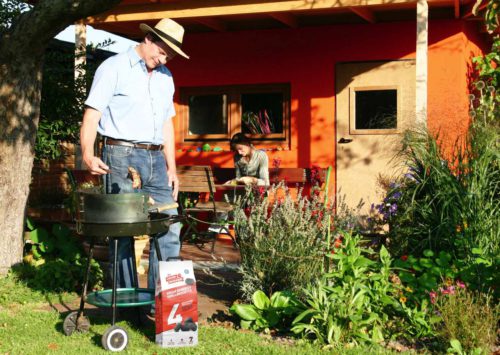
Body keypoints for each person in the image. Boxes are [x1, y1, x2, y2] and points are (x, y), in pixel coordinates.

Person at [79, 18, 189, 301]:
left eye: (170, 56)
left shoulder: (166, 77)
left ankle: (162, 301)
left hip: (156, 159)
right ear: (149, 39)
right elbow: (92, 114)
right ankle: (126, 300)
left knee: (169, 224)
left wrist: (172, 168)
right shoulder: (113, 67)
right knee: (123, 228)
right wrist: (88, 154)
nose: (165, 59)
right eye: (163, 52)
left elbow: (167, 125)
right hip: (120, 155)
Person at [208, 133, 269, 233]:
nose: (239, 152)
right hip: (242, 190)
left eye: (241, 149)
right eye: (237, 150)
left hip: (258, 191)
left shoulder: (261, 156)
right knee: (226, 198)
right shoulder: (237, 157)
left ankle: (245, 232)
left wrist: (252, 180)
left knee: (235, 204)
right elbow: (238, 177)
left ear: (247, 143)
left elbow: (265, 182)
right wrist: (233, 182)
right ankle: (220, 227)